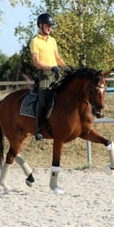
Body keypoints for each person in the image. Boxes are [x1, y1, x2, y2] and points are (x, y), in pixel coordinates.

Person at [30, 13, 69, 141]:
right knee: (43, 99)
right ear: (40, 25)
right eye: (48, 26)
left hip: (56, 73)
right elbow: (36, 62)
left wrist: (65, 67)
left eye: (51, 27)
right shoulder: (35, 41)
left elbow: (57, 58)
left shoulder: (52, 40)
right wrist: (50, 67)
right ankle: (38, 129)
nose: (50, 28)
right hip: (45, 75)